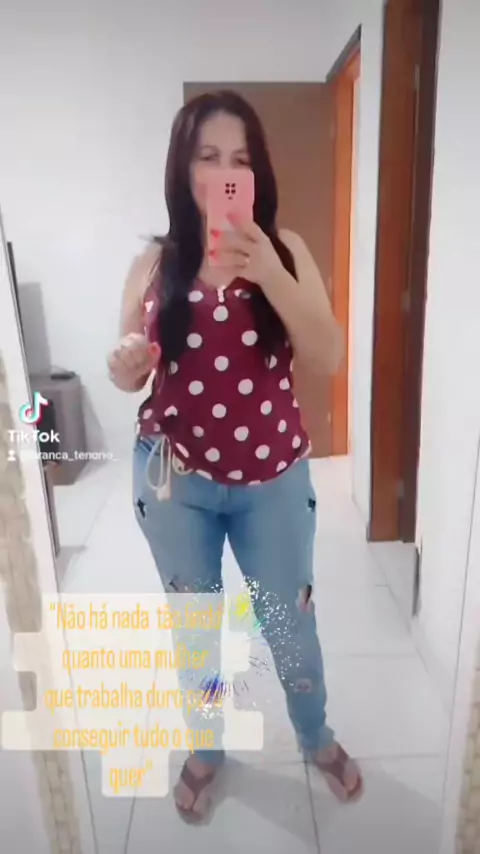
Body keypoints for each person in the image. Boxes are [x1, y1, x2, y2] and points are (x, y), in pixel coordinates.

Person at [107, 89, 363, 822]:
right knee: (196, 630)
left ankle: (315, 735)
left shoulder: (288, 251)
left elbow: (329, 354)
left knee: (289, 624)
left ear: (258, 174)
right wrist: (126, 365)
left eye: (240, 160)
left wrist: (269, 270)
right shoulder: (153, 264)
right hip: (175, 483)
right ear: (182, 169)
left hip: (272, 482)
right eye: (208, 157)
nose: (225, 173)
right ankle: (207, 748)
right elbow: (130, 366)